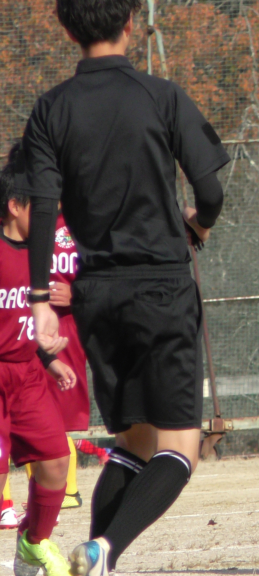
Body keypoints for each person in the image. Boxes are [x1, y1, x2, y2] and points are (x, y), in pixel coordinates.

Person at [17, 1, 230, 574]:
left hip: (97, 297)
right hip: (162, 288)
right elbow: (210, 191)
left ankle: (97, 562)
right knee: (180, 448)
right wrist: (200, 225)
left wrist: (40, 299)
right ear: (131, 23)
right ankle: (105, 550)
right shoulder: (160, 96)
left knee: (134, 442)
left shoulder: (51, 108)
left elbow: (42, 208)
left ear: (67, 29)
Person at [0, 143, 79, 576]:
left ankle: (33, 545)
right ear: (14, 206)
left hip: (27, 373)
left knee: (56, 461)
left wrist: (48, 359)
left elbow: (22, 321)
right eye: (40, 208)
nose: (49, 217)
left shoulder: (38, 253)